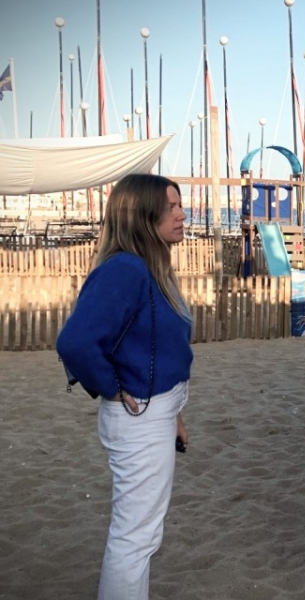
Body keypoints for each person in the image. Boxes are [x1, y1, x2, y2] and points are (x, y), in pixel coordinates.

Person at [56, 173, 194, 600]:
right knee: (136, 537)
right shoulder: (126, 269)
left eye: (179, 204)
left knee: (140, 534)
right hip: (138, 417)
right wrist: (113, 388)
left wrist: (173, 414)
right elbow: (75, 343)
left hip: (155, 413)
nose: (181, 214)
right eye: (170, 207)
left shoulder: (150, 267)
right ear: (142, 215)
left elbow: (155, 350)